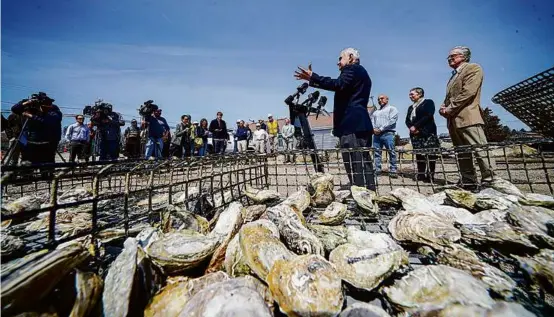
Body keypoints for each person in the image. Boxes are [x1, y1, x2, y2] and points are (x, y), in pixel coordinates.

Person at [294, 47, 375, 190]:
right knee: (358, 163)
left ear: (350, 57)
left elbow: (338, 84)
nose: (338, 63)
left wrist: (314, 77)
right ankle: (364, 192)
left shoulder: (353, 69)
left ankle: (364, 195)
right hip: (354, 125)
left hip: (353, 126)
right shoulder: (358, 72)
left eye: (340, 58)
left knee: (356, 163)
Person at [439, 46, 495, 188]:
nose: (450, 58)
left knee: (480, 149)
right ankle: (468, 180)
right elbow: (450, 97)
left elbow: (468, 92)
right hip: (454, 120)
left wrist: (449, 109)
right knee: (462, 152)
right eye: (449, 57)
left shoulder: (473, 68)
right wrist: (443, 107)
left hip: (468, 117)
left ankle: (491, 180)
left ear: (464, 57)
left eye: (454, 55)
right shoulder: (453, 76)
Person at [11, 93, 62, 166]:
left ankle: (47, 174)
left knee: (47, 164)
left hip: (47, 141)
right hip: (31, 140)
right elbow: (14, 109)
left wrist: (30, 116)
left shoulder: (52, 108)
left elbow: (50, 121)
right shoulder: (29, 105)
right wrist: (28, 102)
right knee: (28, 163)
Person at [406, 87, 440, 182]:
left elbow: (428, 115)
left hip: (427, 132)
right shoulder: (411, 107)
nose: (410, 96)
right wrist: (412, 128)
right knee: (419, 155)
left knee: (430, 155)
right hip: (415, 135)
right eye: (410, 94)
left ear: (419, 94)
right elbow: (407, 120)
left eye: (412, 94)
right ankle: (421, 174)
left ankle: (430, 176)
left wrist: (416, 126)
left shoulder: (428, 102)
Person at [370, 95, 399, 177]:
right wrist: (374, 129)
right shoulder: (376, 112)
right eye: (378, 99)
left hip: (388, 133)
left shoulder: (392, 109)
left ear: (387, 99)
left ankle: (393, 170)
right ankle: (377, 170)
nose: (380, 100)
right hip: (376, 135)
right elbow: (372, 121)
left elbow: (392, 120)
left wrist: (381, 128)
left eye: (382, 98)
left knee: (391, 151)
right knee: (376, 152)